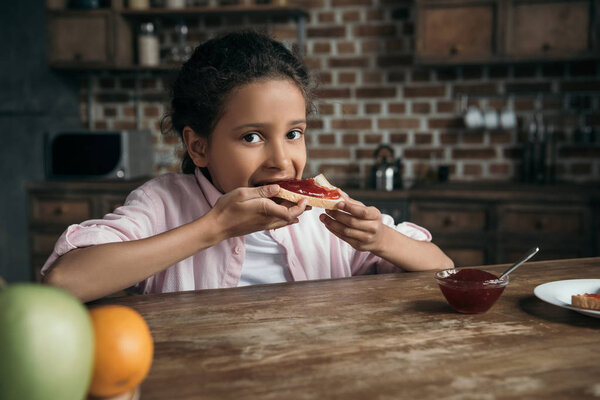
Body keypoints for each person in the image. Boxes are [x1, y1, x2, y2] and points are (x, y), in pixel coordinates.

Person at [42, 31, 453, 302]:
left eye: (294, 133)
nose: (280, 160)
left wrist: (379, 238)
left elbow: (443, 268)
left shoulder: (325, 217)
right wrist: (213, 228)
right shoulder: (162, 204)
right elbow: (64, 282)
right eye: (251, 137)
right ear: (198, 147)